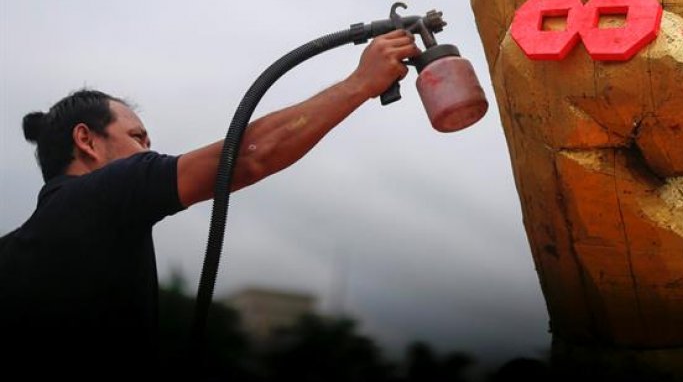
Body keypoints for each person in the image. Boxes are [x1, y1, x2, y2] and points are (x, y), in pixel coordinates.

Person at [0, 30, 419, 375]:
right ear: (86, 140)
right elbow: (249, 156)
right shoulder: (105, 193)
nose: (149, 151)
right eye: (137, 138)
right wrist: (361, 83)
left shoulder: (15, 251)